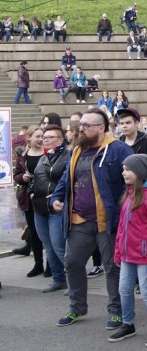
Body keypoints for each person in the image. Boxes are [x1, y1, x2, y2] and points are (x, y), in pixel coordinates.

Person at [51, 110, 134, 328]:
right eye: (80, 125)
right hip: (79, 219)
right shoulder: (77, 150)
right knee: (72, 262)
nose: (81, 128)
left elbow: (134, 178)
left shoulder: (118, 149)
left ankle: (117, 311)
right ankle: (77, 308)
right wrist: (58, 197)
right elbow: (66, 178)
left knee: (112, 268)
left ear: (101, 128)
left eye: (86, 125)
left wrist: (124, 206)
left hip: (108, 222)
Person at [109, 154, 147, 347]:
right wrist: (118, 251)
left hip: (145, 255)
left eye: (128, 169)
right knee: (124, 289)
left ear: (140, 172)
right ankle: (128, 324)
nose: (124, 173)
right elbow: (122, 228)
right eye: (123, 169)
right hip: (128, 255)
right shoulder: (130, 193)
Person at [30, 125, 70, 292]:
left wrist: (56, 194)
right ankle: (58, 279)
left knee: (58, 246)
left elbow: (68, 179)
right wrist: (31, 190)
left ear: (60, 139)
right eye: (44, 137)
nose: (45, 139)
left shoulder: (68, 156)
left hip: (56, 209)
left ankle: (74, 280)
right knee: (48, 246)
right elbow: (36, 177)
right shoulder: (43, 158)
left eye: (49, 137)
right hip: (39, 208)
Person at [14, 126, 46, 277]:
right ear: (29, 138)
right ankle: (38, 264)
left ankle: (52, 266)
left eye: (42, 136)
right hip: (28, 198)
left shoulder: (48, 154)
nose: (40, 139)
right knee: (34, 232)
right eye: (37, 136)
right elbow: (17, 176)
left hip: (44, 197)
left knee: (47, 233)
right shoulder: (23, 156)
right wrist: (23, 178)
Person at [116, 108, 147, 184]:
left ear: (137, 123)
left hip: (143, 191)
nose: (124, 126)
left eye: (128, 123)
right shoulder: (116, 146)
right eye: (122, 123)